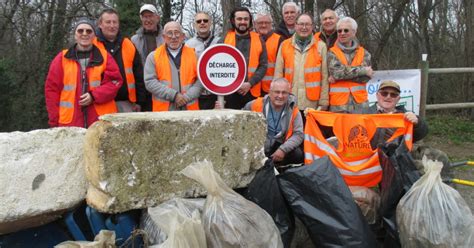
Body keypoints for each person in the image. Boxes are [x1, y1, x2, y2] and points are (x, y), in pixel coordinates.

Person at [45, 18, 122, 128]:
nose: (84, 34)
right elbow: (51, 91)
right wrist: (54, 121)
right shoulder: (61, 58)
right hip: (69, 122)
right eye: (80, 31)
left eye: (89, 31)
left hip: (101, 121)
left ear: (94, 35)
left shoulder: (105, 57)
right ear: (75, 35)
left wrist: (93, 96)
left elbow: (115, 82)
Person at [274, 13, 329, 120]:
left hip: (312, 104)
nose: (304, 27)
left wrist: (324, 101)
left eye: (307, 24)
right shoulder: (285, 45)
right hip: (289, 101)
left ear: (312, 26)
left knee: (309, 135)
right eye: (301, 24)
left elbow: (325, 77)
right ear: (295, 25)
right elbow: (278, 73)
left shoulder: (321, 46)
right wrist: (277, 97)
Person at [94, 8, 147, 112]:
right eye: (108, 22)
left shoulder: (128, 44)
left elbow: (139, 75)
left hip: (127, 104)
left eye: (115, 22)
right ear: (100, 24)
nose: (112, 26)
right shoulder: (92, 45)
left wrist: (139, 102)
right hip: (99, 103)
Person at [144, 21, 202, 111]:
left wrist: (186, 98)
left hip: (190, 112)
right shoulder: (153, 56)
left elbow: (201, 81)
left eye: (177, 33)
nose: (174, 37)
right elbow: (150, 82)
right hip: (163, 113)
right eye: (169, 33)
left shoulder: (195, 55)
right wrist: (174, 95)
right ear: (164, 37)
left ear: (183, 36)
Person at [244, 78, 304, 166]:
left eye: (284, 92)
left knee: (298, 154)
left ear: (289, 94)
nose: (280, 96)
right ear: (270, 92)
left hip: (279, 147)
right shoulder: (254, 105)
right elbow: (238, 120)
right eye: (277, 92)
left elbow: (298, 134)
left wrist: (283, 150)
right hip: (258, 147)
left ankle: (284, 173)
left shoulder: (294, 110)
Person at [221, 7, 268, 109]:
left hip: (251, 92)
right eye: (239, 19)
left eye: (246, 19)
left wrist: (250, 83)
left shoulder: (258, 39)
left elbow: (263, 65)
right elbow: (217, 64)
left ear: (250, 21)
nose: (243, 22)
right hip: (229, 94)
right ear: (233, 21)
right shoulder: (224, 39)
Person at [358, 80, 428, 148]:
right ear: (377, 95)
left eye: (393, 95)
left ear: (398, 98)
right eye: (384, 93)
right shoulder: (363, 114)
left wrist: (417, 123)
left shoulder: (405, 116)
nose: (388, 97)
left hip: (395, 158)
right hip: (369, 157)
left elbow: (421, 134)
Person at [328, 17, 373, 113]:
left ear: (354, 32)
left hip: (360, 105)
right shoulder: (332, 53)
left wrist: (341, 75)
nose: (342, 33)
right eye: (339, 31)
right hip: (339, 107)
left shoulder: (364, 53)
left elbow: (365, 78)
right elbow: (337, 73)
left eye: (346, 30)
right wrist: (362, 70)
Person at [185, 11, 219, 109]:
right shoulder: (188, 45)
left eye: (205, 20)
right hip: (196, 93)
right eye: (199, 21)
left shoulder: (220, 42)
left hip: (215, 93)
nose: (202, 23)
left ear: (210, 23)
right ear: (194, 25)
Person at [254, 13, 285, 95]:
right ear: (255, 24)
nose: (263, 25)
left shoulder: (280, 40)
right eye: (260, 23)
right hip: (252, 88)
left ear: (271, 24)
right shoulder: (250, 39)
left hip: (271, 89)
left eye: (266, 23)